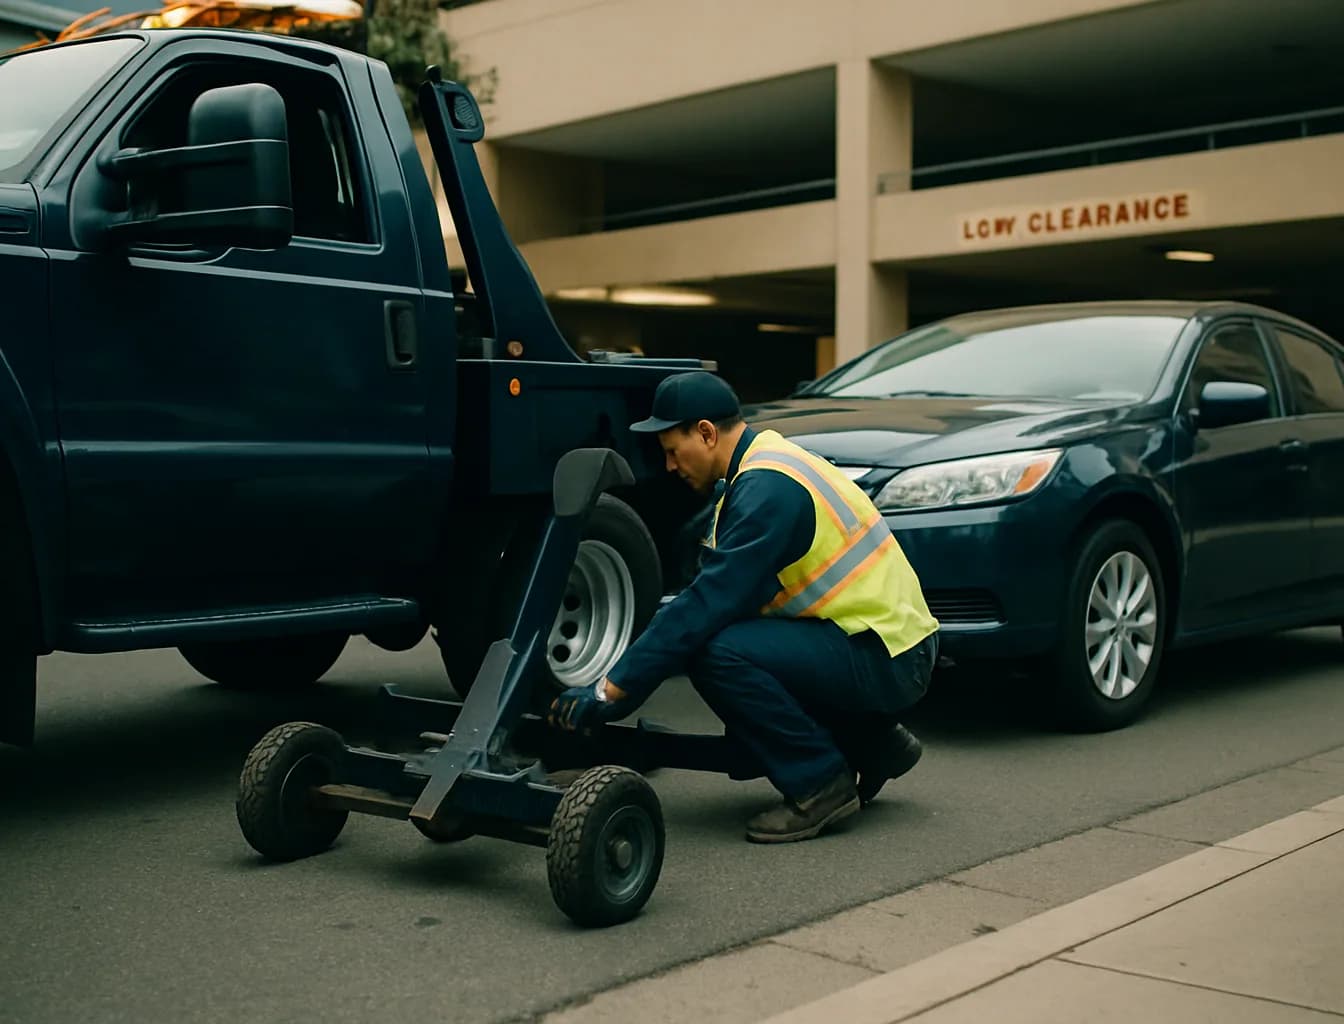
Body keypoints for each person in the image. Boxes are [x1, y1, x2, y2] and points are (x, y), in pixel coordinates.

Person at [548, 371, 940, 843]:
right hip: (886, 644)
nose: (670, 465)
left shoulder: (765, 491)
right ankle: (876, 745)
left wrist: (610, 691)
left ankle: (819, 783)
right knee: (727, 638)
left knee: (716, 651)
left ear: (707, 433)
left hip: (887, 657)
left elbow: (707, 607)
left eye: (674, 450)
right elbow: (713, 596)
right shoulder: (768, 462)